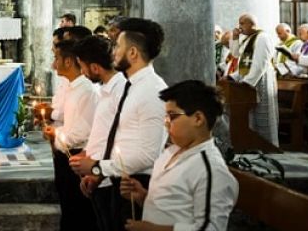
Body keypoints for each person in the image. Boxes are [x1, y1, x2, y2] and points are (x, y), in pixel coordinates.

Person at [79, 17, 168, 231]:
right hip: (119, 180)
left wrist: (98, 167)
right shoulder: (133, 86)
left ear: (133, 53)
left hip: (136, 184)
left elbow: (148, 154)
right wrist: (99, 173)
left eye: (118, 46)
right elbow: (120, 138)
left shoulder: (152, 91)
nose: (113, 52)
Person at [120, 80, 238, 231]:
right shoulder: (170, 152)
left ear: (198, 119)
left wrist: (153, 229)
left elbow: (210, 228)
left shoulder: (210, 170)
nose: (166, 123)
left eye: (172, 116)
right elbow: (175, 207)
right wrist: (143, 197)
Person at [68, 36, 127, 230]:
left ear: (94, 67)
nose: (82, 72)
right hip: (96, 173)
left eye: (82, 66)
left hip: (109, 177)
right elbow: (101, 132)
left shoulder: (122, 91)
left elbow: (118, 138)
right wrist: (87, 156)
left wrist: (97, 171)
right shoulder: (104, 89)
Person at [43, 39, 98, 231]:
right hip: (67, 153)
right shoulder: (73, 88)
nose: (53, 63)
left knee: (77, 214)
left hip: (77, 155)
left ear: (68, 62)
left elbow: (82, 132)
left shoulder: (86, 90)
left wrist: (55, 133)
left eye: (56, 58)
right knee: (68, 210)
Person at [226, 13, 278, 146]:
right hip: (247, 80)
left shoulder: (263, 38)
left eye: (242, 23)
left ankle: (266, 144)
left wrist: (247, 83)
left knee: (262, 113)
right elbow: (236, 55)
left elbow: (261, 63)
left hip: (260, 80)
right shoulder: (248, 39)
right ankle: (251, 143)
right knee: (249, 115)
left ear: (252, 24)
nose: (240, 26)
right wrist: (235, 38)